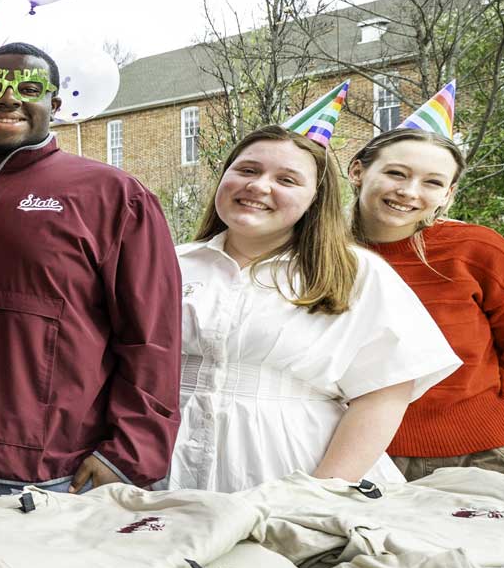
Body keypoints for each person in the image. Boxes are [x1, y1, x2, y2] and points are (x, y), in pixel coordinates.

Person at [0, 41, 182, 505]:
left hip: (55, 470)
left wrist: (129, 452)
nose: (8, 98)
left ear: (53, 103)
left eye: (28, 88)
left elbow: (153, 337)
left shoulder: (114, 196)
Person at [176, 126, 460, 491]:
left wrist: (323, 492)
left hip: (294, 465)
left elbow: (384, 393)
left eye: (287, 179)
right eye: (247, 170)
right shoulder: (169, 263)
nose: (260, 186)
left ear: (315, 197)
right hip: (166, 461)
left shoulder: (355, 271)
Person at [349, 125, 504, 481]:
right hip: (360, 453)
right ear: (357, 171)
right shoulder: (322, 254)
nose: (409, 191)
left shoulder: (477, 249)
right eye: (396, 173)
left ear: (448, 193)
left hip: (482, 454)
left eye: (432, 182)